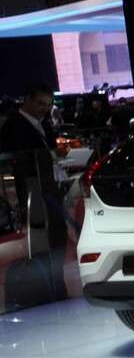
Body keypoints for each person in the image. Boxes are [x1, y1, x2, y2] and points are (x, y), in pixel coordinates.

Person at [0, 83, 70, 246]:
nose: (45, 109)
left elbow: (50, 147)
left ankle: (58, 253)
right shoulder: (13, 124)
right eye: (40, 103)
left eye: (48, 105)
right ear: (28, 100)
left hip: (49, 180)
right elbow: (13, 155)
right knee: (39, 229)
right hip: (30, 184)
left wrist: (57, 153)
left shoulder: (44, 123)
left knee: (57, 227)